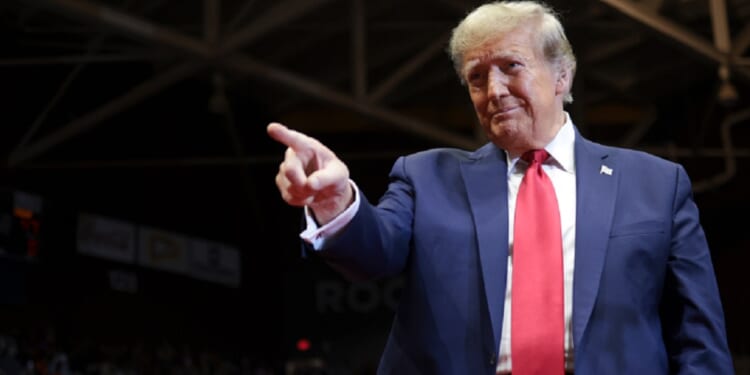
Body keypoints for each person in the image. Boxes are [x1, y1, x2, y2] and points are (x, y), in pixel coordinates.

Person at [266, 1, 735, 374]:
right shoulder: (426, 178)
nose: (493, 90)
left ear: (561, 75)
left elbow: (699, 339)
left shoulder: (656, 184)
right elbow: (373, 251)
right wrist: (337, 203)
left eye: (511, 66)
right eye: (476, 77)